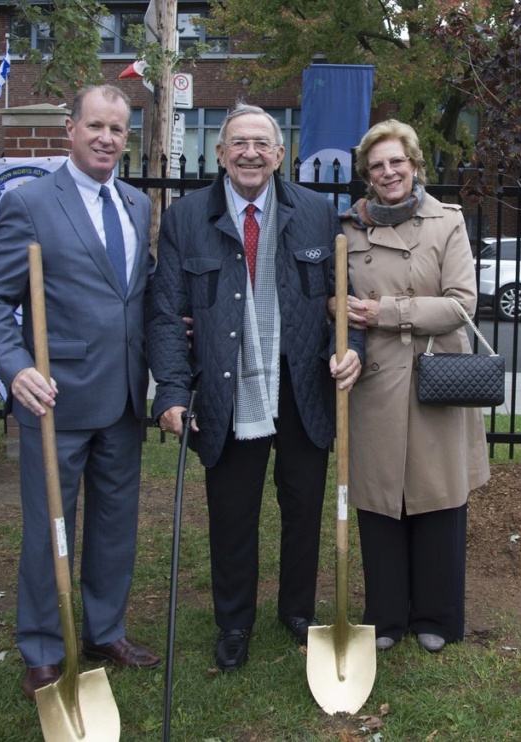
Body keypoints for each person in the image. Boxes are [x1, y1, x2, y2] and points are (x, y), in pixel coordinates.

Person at [146, 103, 365, 671]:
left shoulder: (317, 212)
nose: (250, 153)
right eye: (238, 143)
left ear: (279, 154)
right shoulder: (187, 218)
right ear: (221, 154)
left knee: (303, 506)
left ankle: (296, 611)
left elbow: (345, 299)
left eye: (261, 144)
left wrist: (352, 351)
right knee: (232, 513)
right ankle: (234, 622)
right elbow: (167, 312)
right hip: (228, 387)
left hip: (301, 386)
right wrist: (171, 390)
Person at [0, 83, 161, 703]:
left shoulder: (136, 203)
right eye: (96, 127)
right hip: (57, 399)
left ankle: (106, 630)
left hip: (125, 400)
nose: (107, 138)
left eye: (118, 130)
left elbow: (136, 295)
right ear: (70, 128)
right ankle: (44, 647)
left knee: (115, 528)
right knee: (50, 527)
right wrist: (15, 366)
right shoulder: (29, 203)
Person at [334, 119, 491, 653]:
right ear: (366, 175)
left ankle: (437, 616)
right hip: (375, 381)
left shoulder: (446, 223)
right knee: (379, 501)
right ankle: (385, 617)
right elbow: (337, 295)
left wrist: (387, 312)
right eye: (377, 165)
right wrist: (338, 306)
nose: (388, 172)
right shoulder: (349, 228)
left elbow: (461, 303)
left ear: (415, 164)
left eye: (396, 161)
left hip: (437, 378)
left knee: (439, 498)